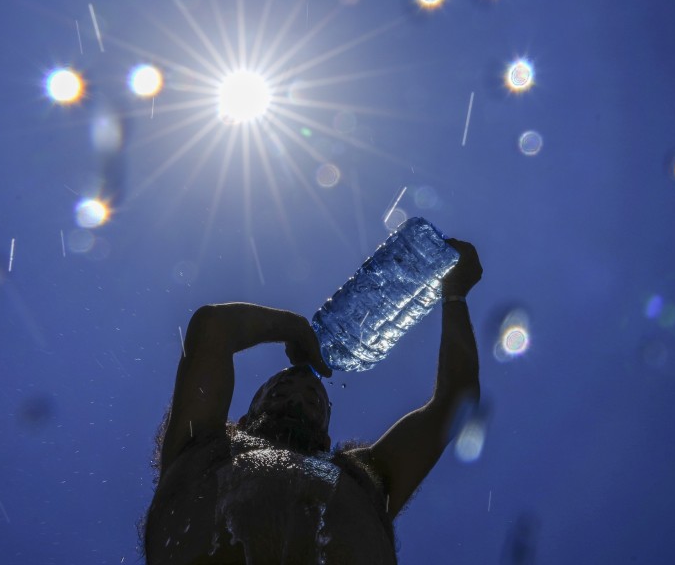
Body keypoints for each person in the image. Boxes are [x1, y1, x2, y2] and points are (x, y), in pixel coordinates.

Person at [141, 239, 482, 564]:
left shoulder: (366, 475)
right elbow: (212, 326)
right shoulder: (199, 444)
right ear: (243, 420)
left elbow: (455, 400)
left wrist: (454, 295)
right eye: (281, 389)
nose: (298, 395)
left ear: (327, 437)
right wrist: (294, 328)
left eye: (312, 399)